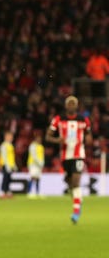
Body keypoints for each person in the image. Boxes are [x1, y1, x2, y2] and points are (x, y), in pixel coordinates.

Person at [45, 95, 92, 223]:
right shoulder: (58, 119)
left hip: (78, 155)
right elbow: (48, 136)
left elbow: (89, 135)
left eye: (73, 103)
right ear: (66, 106)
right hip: (65, 156)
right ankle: (78, 200)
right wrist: (57, 140)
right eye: (69, 103)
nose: (71, 106)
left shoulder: (84, 120)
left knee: (76, 182)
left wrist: (88, 139)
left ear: (76, 106)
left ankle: (76, 212)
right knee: (70, 182)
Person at [26, 131, 45, 199]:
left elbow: (42, 156)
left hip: (39, 165)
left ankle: (37, 192)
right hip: (33, 164)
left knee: (38, 178)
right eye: (38, 139)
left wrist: (42, 163)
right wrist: (39, 162)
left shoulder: (41, 146)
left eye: (40, 139)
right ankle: (29, 192)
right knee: (33, 177)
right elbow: (34, 155)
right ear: (35, 139)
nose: (39, 140)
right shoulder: (32, 146)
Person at [0, 131, 16, 199]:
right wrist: (7, 164)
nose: (12, 138)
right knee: (5, 178)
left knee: (9, 179)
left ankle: (8, 192)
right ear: (6, 137)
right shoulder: (4, 145)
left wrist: (13, 164)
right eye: (10, 136)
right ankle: (2, 192)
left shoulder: (10, 145)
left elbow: (11, 156)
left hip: (10, 165)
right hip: (5, 164)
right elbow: (4, 156)